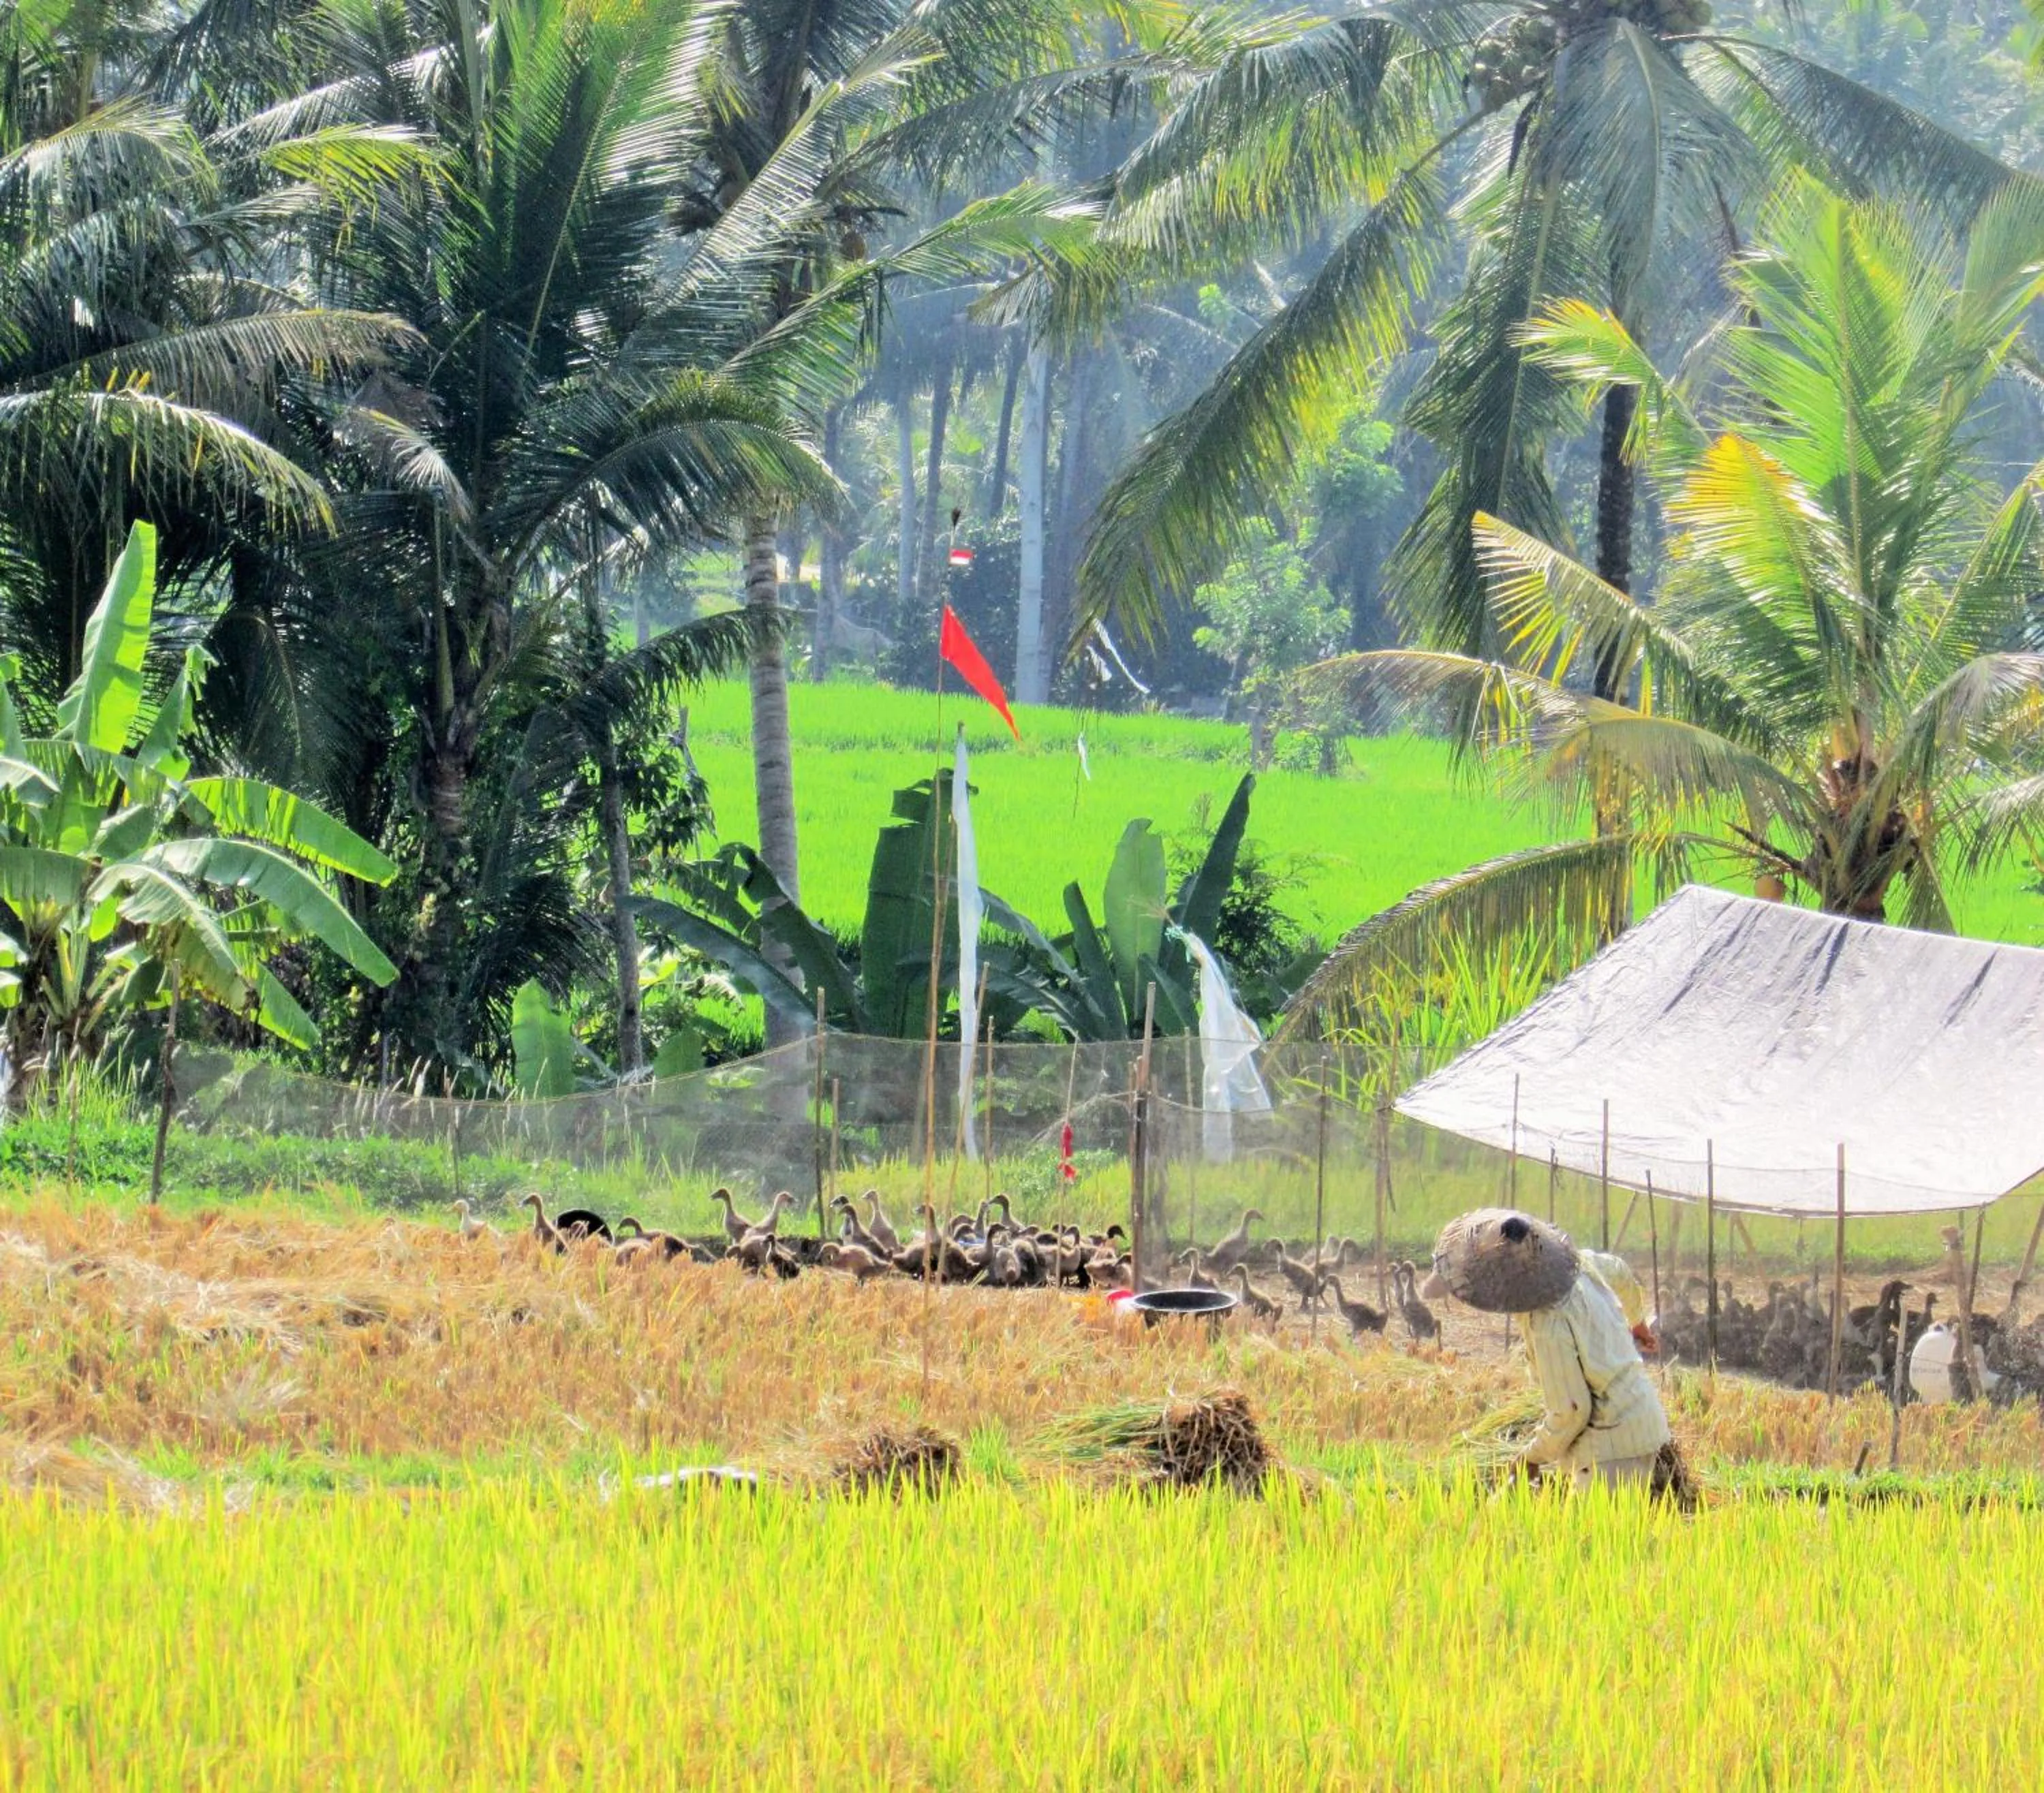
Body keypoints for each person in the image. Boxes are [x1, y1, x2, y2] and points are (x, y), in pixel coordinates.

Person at [1423, 1209, 1671, 1491]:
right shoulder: (1581, 1264)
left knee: (1594, 1533)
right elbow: (1619, 1270)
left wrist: (1530, 1456)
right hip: (1638, 1424)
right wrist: (1637, 1322)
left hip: (1612, 1447)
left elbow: (1571, 1410)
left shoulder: (1546, 1321)